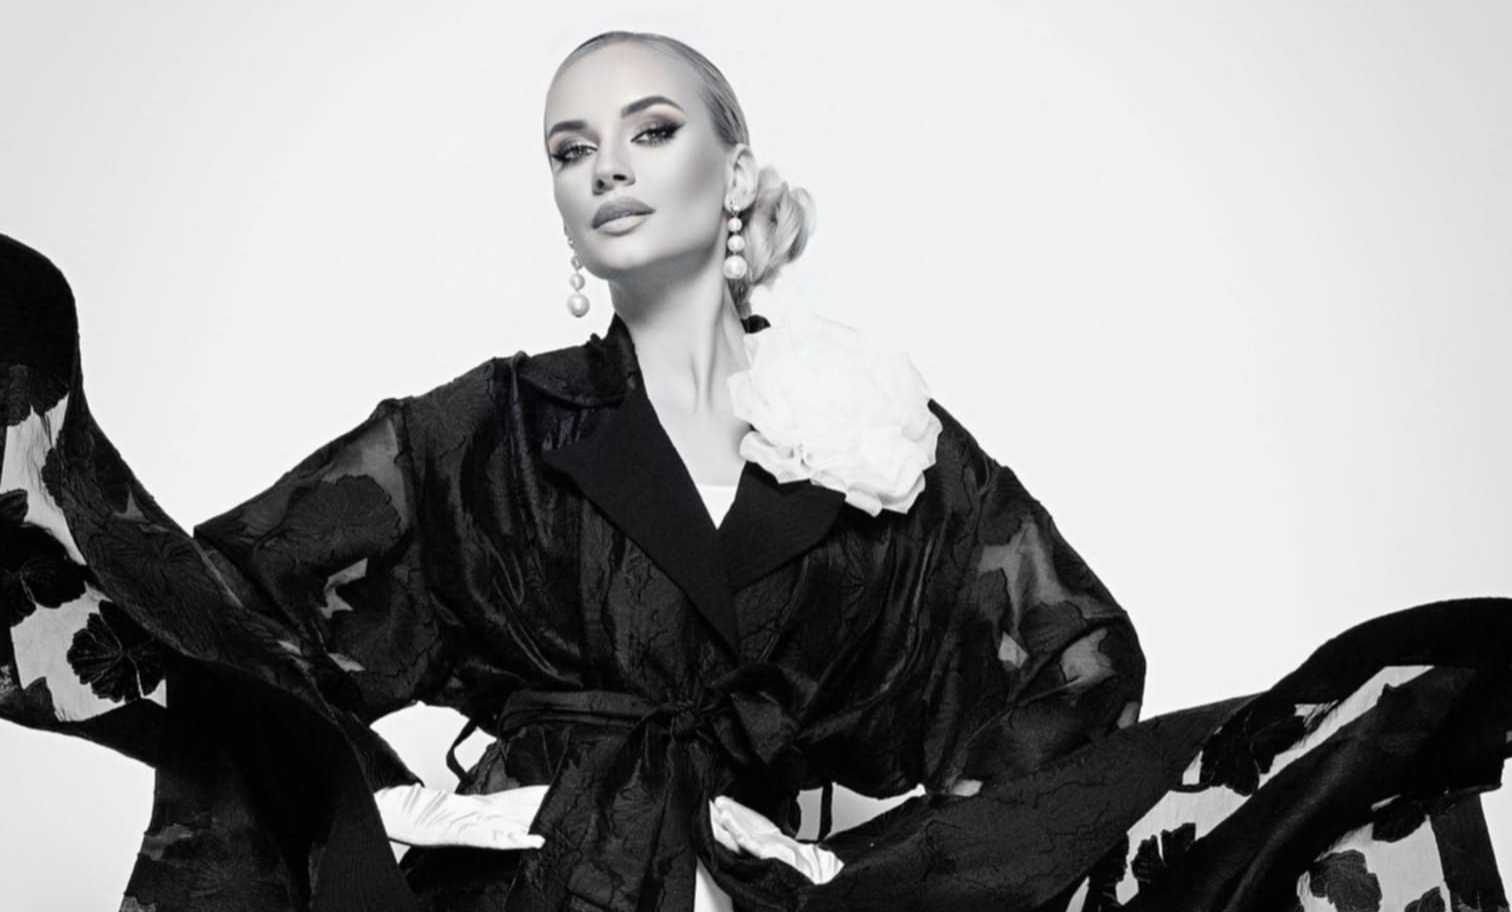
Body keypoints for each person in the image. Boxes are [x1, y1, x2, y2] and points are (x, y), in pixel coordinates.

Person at [2, 28, 1509, 912]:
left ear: (731, 171)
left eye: (649, 129)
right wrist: (413, 807)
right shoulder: (481, 430)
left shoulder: (881, 436)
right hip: (537, 882)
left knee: (1345, 781)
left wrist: (903, 854)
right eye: (570, 147)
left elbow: (1072, 660)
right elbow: (222, 613)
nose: (606, 165)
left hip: (778, 889)